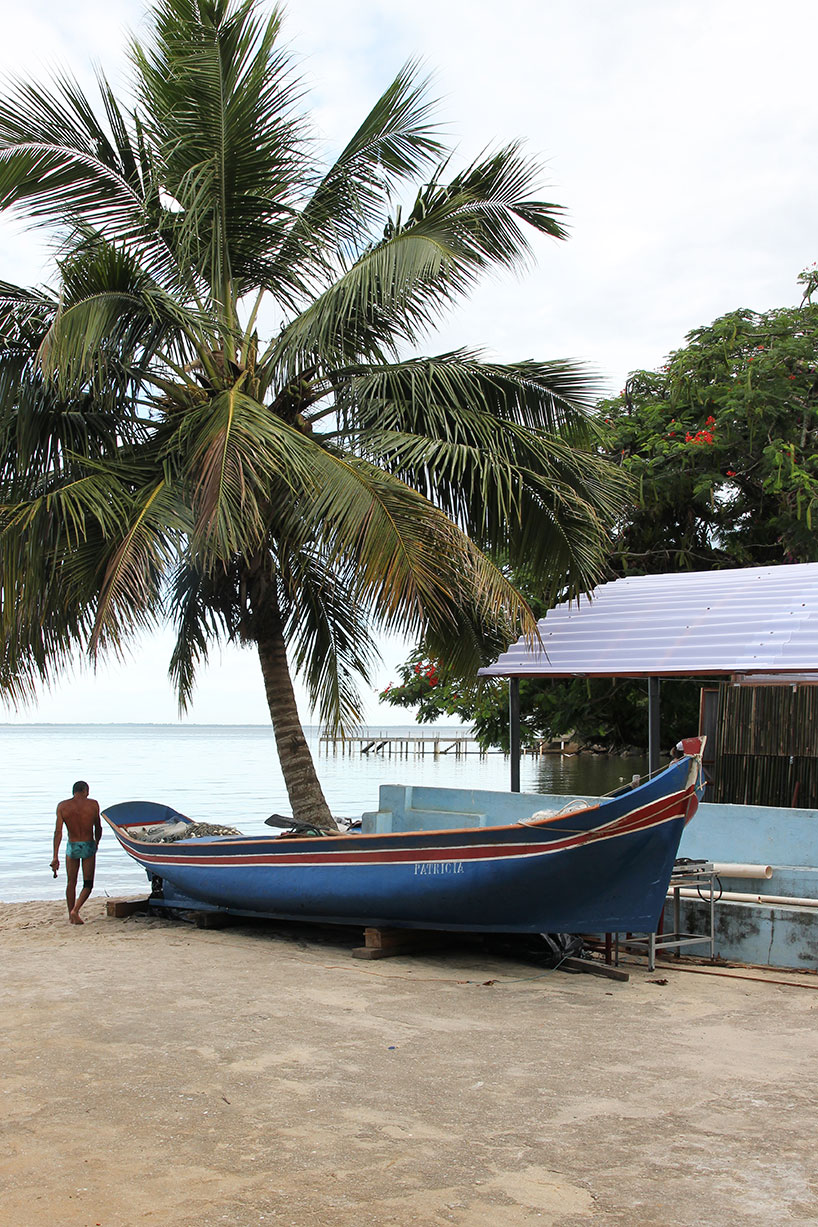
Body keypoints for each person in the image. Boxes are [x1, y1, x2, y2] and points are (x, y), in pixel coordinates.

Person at [51, 781, 102, 925]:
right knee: (88, 884)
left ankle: (70, 915)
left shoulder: (62, 806)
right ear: (85, 790)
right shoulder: (93, 805)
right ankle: (76, 910)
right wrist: (96, 843)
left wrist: (55, 856)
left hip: (72, 846)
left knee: (71, 882)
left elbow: (58, 832)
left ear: (74, 791)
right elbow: (98, 827)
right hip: (88, 845)